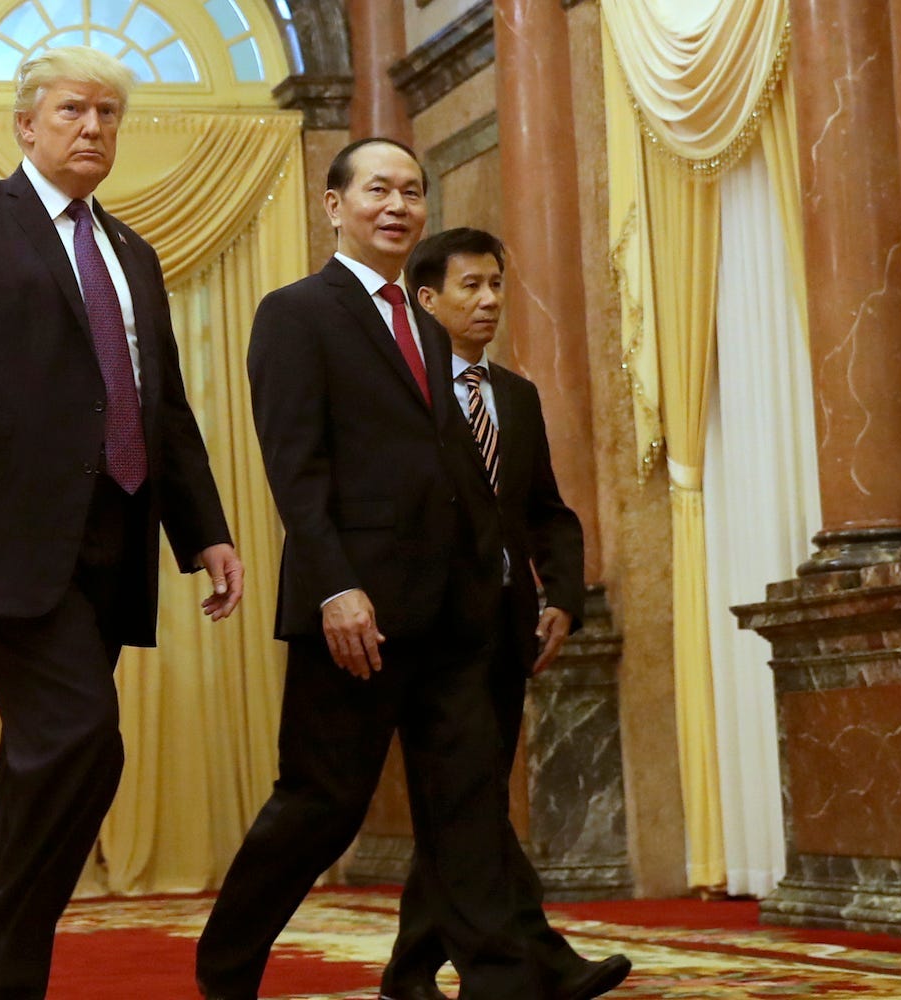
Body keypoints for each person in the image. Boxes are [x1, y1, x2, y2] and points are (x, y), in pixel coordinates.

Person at [0, 45, 244, 1000]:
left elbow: (161, 403)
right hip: (2, 532)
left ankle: (6, 974)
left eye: (109, 115)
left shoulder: (134, 252)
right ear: (28, 124)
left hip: (112, 533)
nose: (93, 129)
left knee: (82, 751)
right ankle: (1, 981)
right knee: (76, 731)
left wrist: (204, 529)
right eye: (74, 111)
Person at [196, 137, 546, 1000]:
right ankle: (226, 965)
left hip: (455, 615)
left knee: (466, 805)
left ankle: (508, 981)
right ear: (334, 205)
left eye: (413, 191)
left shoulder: (429, 325)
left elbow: (457, 465)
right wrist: (334, 587)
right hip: (357, 612)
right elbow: (294, 466)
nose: (398, 205)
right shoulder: (295, 312)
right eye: (379, 190)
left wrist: (501, 581)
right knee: (322, 805)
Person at [378, 227, 628, 1000]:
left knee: (469, 796)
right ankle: (533, 962)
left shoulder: (514, 395)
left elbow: (546, 511)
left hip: (505, 633)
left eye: (496, 286)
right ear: (426, 299)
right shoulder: (398, 394)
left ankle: (411, 969)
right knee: (467, 795)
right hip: (427, 632)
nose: (489, 301)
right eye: (470, 287)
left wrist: (563, 599)